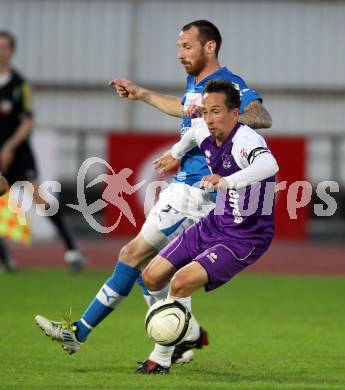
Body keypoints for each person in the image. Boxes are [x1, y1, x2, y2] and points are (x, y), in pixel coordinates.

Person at [34, 20, 272, 372]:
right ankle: (183, 333)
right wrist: (143, 94)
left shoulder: (229, 85)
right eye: (179, 47)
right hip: (184, 185)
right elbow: (183, 110)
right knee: (150, 269)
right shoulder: (197, 84)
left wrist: (220, 123)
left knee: (136, 257)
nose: (180, 54)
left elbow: (261, 116)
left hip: (194, 193)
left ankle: (93, 334)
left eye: (187, 46)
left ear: (209, 47)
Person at [142, 80, 279, 374]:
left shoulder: (247, 140)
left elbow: (269, 166)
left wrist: (228, 181)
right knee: (151, 277)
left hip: (246, 236)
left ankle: (160, 358)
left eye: (216, 111)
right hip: (216, 222)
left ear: (234, 113)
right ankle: (188, 332)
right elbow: (193, 129)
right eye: (206, 111)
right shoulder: (206, 127)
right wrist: (175, 153)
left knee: (180, 282)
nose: (209, 118)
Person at [0, 31, 84, 272]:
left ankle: (72, 251)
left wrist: (9, 146)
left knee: (40, 198)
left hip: (18, 152)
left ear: (12, 51)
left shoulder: (19, 84)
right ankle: (6, 260)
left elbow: (27, 120)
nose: (0, 51)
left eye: (4, 47)